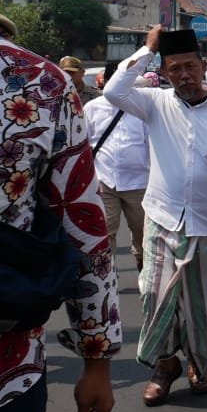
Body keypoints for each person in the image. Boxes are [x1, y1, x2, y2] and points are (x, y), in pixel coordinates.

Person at [0, 0, 121, 412]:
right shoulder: (42, 85)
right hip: (10, 375)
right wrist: (96, 358)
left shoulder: (44, 85)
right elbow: (84, 225)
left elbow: (85, 225)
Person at [105, 26, 207, 406]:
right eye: (174, 69)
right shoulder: (154, 102)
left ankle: (198, 365)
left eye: (189, 66)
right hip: (161, 216)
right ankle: (166, 364)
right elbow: (113, 90)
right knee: (153, 295)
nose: (183, 75)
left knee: (199, 304)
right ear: (165, 72)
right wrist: (148, 49)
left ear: (203, 65)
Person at [86, 60, 151, 275]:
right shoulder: (92, 108)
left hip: (140, 184)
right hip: (104, 183)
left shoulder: (142, 108)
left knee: (143, 233)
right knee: (105, 234)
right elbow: (84, 145)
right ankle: (106, 278)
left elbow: (152, 146)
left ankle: (145, 270)